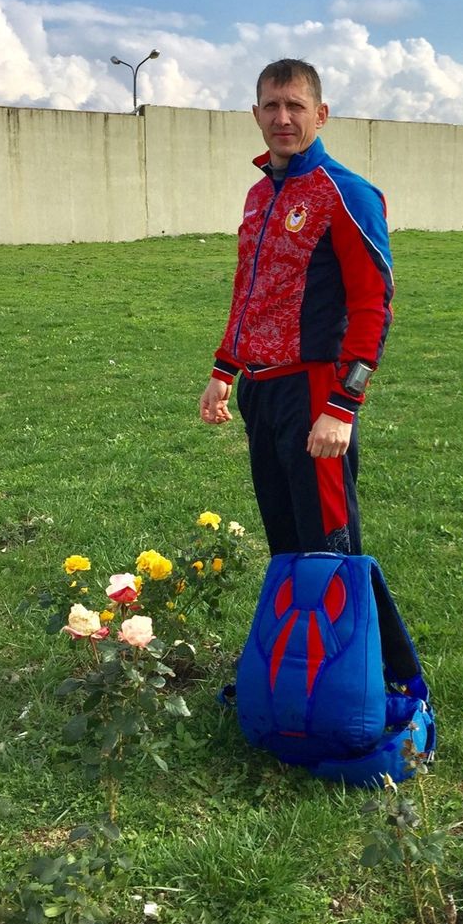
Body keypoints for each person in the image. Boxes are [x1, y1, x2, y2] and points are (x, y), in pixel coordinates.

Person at [199, 58, 393, 556]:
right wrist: (224, 369)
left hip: (313, 391)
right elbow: (250, 287)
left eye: (295, 106)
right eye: (271, 106)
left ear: (320, 114)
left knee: (328, 542)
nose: (282, 118)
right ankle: (296, 613)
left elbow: (373, 305)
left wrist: (343, 406)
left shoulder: (348, 194)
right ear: (256, 114)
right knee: (283, 536)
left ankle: (349, 613)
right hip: (259, 391)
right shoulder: (259, 194)